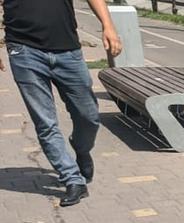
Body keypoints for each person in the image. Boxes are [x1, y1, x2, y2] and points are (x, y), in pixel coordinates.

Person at [1, 0, 122, 206]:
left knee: (89, 116)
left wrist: (107, 25)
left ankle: (81, 149)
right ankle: (72, 179)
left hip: (68, 50)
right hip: (23, 52)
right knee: (45, 123)